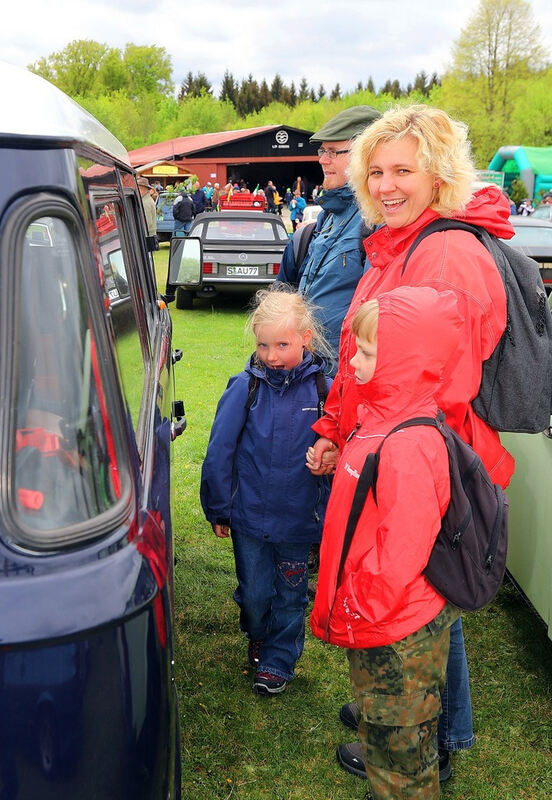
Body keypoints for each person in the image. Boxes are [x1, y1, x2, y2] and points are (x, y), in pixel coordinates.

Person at [308, 104, 515, 784]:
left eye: (405, 170)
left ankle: (430, 739)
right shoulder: (397, 241)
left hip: (418, 461)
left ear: (440, 175)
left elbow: (433, 385)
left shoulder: (446, 251)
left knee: (423, 600)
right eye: (377, 171)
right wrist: (341, 430)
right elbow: (365, 353)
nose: (387, 184)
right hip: (388, 449)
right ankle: (403, 714)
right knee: (426, 599)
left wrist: (375, 450)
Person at [310, 286, 465, 800]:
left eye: (368, 352)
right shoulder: (379, 419)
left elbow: (400, 553)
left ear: (406, 359)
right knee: (381, 741)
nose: (352, 358)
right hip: (379, 622)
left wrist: (356, 607)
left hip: (395, 633)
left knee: (403, 765)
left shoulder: (410, 443)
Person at [200, 287, 333, 695]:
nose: (272, 356)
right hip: (250, 520)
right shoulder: (245, 388)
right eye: (263, 345)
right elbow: (220, 450)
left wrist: (333, 451)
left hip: (298, 521)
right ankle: (256, 630)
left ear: (306, 338)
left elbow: (345, 447)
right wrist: (219, 508)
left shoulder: (325, 392)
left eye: (282, 345)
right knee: (257, 594)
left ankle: (278, 661)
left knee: (291, 596)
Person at [276, 105, 382, 360]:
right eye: (322, 150)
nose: (322, 159)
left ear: (363, 156)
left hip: (344, 378)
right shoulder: (326, 219)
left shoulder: (378, 221)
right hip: (307, 373)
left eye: (333, 151)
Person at [138, 176, 158, 251]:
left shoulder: (145, 202)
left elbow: (147, 223)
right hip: (149, 235)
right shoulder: (146, 200)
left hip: (147, 237)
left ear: (142, 189)